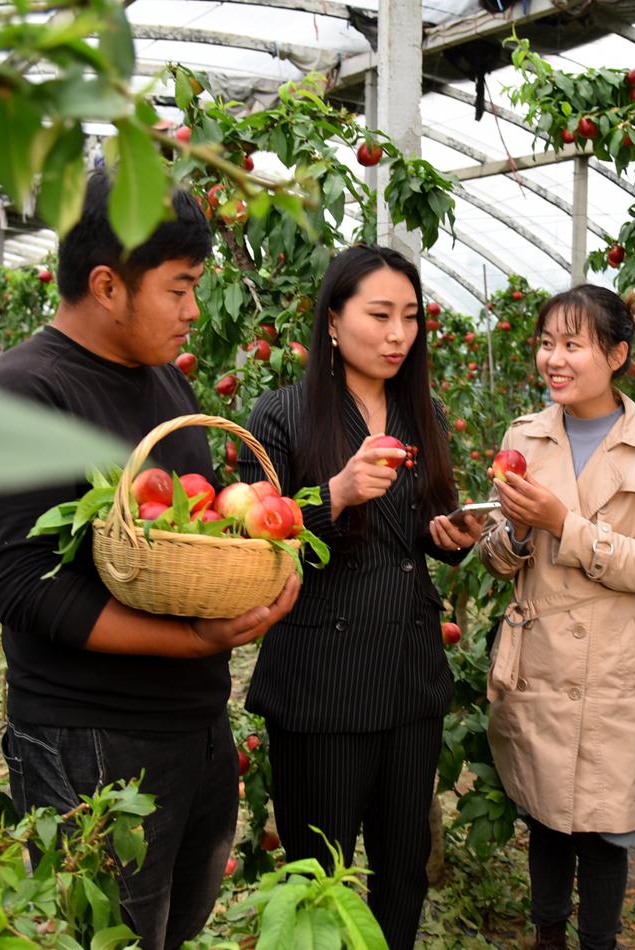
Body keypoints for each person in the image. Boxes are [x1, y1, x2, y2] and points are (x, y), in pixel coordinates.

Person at [0, 170, 299, 949]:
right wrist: (189, 641)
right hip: (89, 740)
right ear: (107, 285)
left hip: (192, 725)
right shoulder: (25, 393)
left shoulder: (166, 383)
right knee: (108, 938)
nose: (194, 310)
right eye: (180, 288)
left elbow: (190, 529)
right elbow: (20, 586)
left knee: (173, 931)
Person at [239, 244, 480, 948]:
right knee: (320, 869)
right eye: (380, 315)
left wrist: (452, 532)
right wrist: (336, 495)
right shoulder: (282, 415)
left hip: (409, 672)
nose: (398, 333)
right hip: (321, 681)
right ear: (334, 323)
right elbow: (261, 543)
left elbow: (424, 528)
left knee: (403, 868)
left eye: (409, 317)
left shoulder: (421, 411)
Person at [475, 284, 635, 950]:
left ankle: (599, 939)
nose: (554, 360)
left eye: (573, 344)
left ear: (618, 353)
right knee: (546, 815)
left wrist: (562, 524)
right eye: (546, 344)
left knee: (604, 824)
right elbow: (498, 556)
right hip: (541, 655)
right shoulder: (525, 436)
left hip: (611, 663)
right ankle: (547, 933)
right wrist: (512, 536)